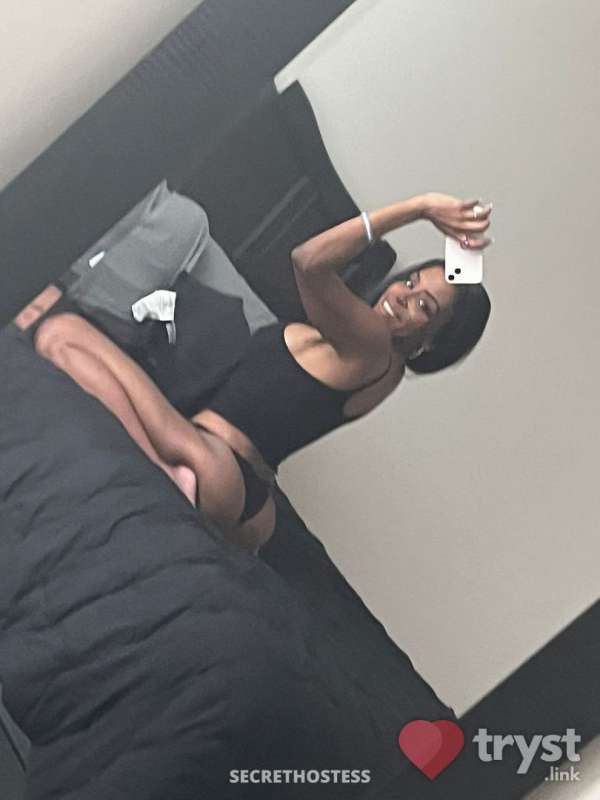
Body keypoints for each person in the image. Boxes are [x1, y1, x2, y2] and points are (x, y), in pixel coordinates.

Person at [29, 192, 492, 554]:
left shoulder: (374, 348)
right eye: (410, 281)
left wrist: (419, 208)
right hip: (245, 498)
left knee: (57, 331)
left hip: (211, 462)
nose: (402, 296)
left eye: (423, 306)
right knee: (69, 335)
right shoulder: (367, 356)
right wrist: (464, 254)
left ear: (430, 343)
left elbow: (308, 261)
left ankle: (165, 480)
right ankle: (183, 496)